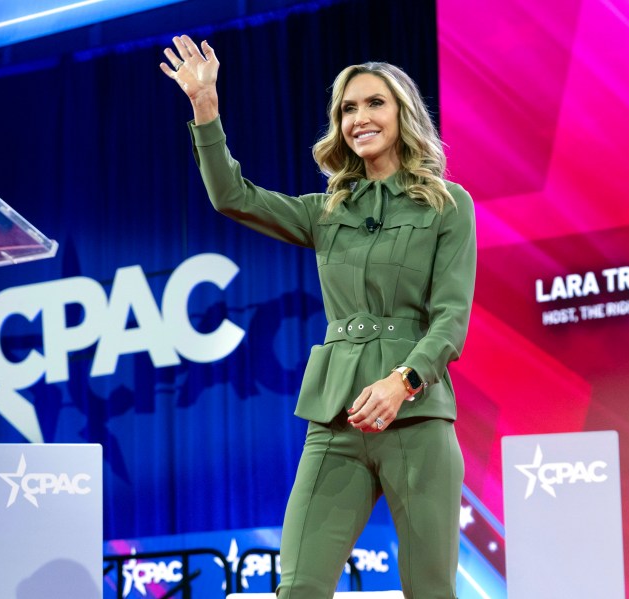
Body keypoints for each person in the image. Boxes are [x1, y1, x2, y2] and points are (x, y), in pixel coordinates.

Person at [161, 35, 476, 599]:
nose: (360, 117)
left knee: (431, 589)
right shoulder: (326, 211)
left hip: (418, 419)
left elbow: (451, 318)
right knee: (299, 586)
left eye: (374, 103)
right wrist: (205, 108)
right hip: (335, 419)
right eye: (348, 108)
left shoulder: (448, 205)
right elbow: (232, 196)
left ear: (403, 112)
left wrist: (403, 381)